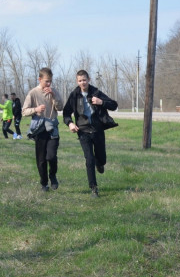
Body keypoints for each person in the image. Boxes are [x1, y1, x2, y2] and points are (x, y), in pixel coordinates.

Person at [63, 69, 118, 198]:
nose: (82, 82)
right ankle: (93, 188)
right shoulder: (74, 95)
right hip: (83, 131)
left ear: (89, 80)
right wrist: (70, 123)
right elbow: (66, 113)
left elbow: (114, 105)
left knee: (101, 158)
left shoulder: (96, 93)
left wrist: (101, 102)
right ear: (77, 81)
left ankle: (100, 164)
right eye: (80, 80)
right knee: (89, 159)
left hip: (97, 130)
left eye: (84, 80)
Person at [22, 67, 63, 192]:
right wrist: (36, 109)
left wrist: (54, 96)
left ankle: (53, 176)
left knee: (51, 156)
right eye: (46, 81)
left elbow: (60, 107)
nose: (49, 84)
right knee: (41, 160)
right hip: (39, 130)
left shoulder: (54, 92)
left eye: (50, 81)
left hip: (52, 128)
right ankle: (44, 184)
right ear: (39, 79)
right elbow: (24, 111)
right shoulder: (33, 93)